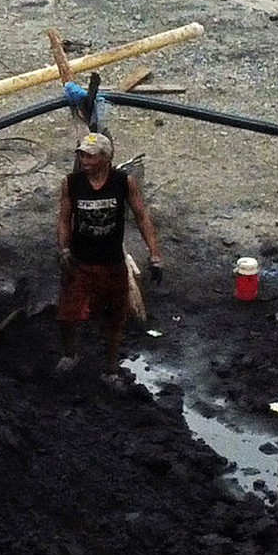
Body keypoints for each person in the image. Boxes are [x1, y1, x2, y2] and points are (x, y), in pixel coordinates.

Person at [55, 132, 162, 374]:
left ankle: (112, 367)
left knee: (114, 317)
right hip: (79, 262)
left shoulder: (123, 183)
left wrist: (154, 254)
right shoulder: (71, 183)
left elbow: (142, 217)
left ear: (106, 158)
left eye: (90, 156)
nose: (84, 160)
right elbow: (63, 219)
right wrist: (62, 249)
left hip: (112, 263)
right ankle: (69, 355)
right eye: (81, 155)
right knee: (66, 314)